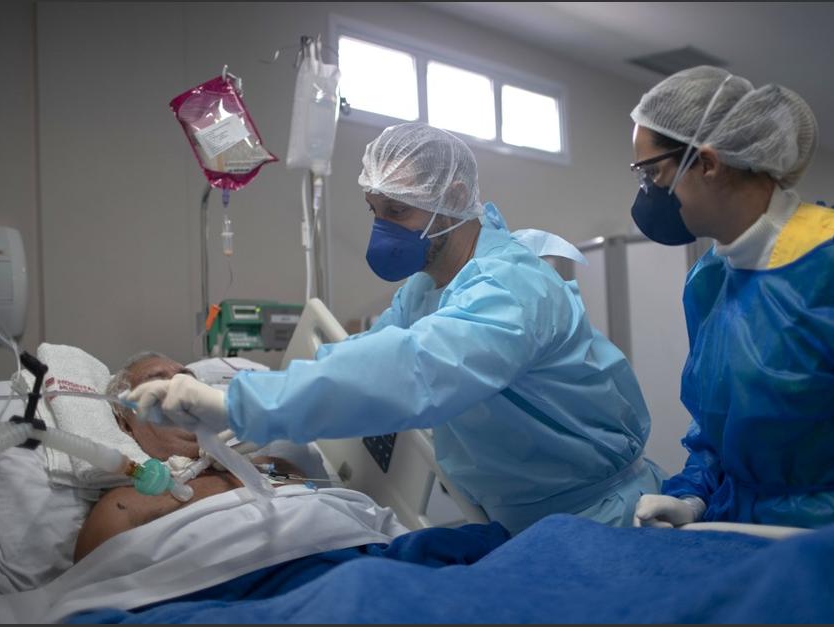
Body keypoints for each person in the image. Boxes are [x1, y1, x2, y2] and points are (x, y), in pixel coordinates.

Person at [128, 122, 665, 534]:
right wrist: (244, 397)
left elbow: (411, 372)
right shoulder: (425, 289)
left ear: (453, 197)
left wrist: (246, 403)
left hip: (597, 516)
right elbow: (368, 355)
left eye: (397, 211)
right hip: (519, 521)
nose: (382, 228)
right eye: (374, 210)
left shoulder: (511, 290)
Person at [626, 66, 834, 529]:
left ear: (706, 163)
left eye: (652, 173)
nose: (647, 194)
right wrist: (693, 496)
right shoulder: (710, 279)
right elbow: (717, 423)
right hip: (737, 527)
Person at [74, 352, 305, 561]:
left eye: (187, 378)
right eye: (157, 380)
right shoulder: (124, 505)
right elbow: (94, 594)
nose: (179, 386)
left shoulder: (273, 467)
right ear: (125, 422)